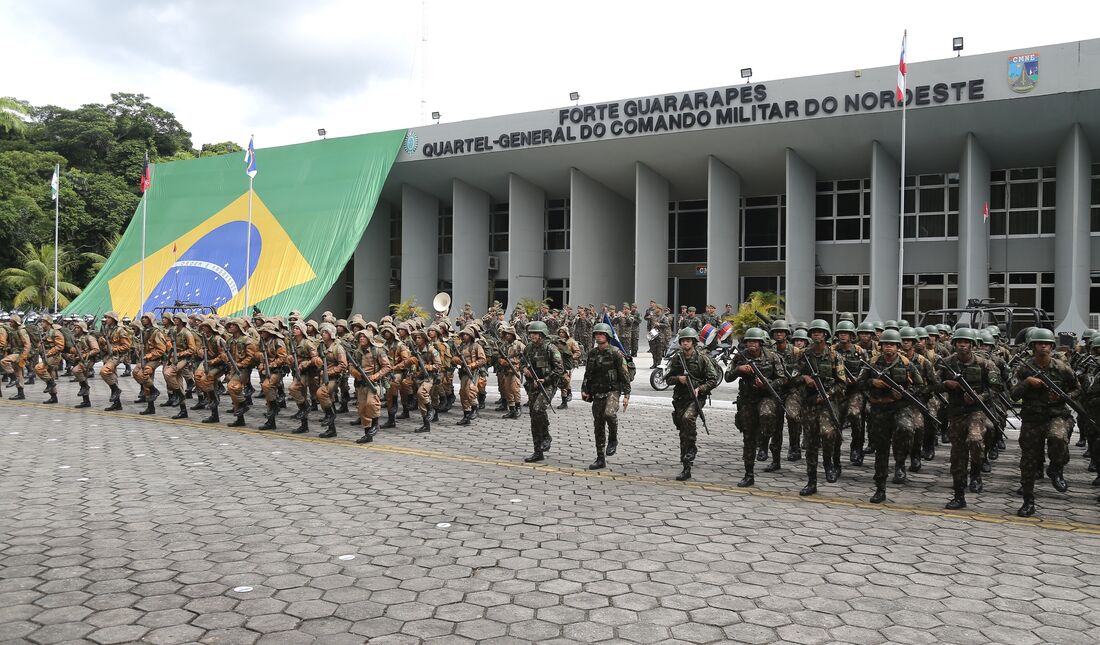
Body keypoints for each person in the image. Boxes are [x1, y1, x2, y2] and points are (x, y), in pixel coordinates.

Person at [1010, 327, 1078, 517]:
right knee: (1028, 461)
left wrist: (1062, 396)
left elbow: (1077, 390)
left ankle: (1056, 468)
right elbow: (1013, 395)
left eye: (1047, 344)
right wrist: (1027, 383)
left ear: (1051, 347)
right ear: (1033, 346)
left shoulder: (1062, 368)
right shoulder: (1023, 368)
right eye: (1040, 344)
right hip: (1032, 418)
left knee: (1058, 437)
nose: (1043, 347)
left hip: (1056, 414)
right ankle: (1028, 501)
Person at [935, 328, 1002, 510]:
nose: (962, 345)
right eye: (959, 342)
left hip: (977, 411)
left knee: (975, 439)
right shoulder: (946, 363)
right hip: (956, 413)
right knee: (958, 454)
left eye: (966, 342)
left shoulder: (985, 364)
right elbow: (932, 384)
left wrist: (980, 397)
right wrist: (946, 384)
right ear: (954, 344)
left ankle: (976, 473)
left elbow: (997, 388)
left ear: (972, 345)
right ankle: (959, 494)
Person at [861, 329, 924, 503]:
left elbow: (920, 386)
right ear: (881, 346)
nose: (889, 347)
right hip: (880, 409)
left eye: (892, 344)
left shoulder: (906, 365)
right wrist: (873, 382)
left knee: (905, 429)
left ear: (897, 347)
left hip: (900, 408)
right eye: (886, 344)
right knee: (881, 448)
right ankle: (880, 488)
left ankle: (900, 462)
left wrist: (904, 392)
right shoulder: (872, 363)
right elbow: (860, 383)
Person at [727, 327, 786, 486]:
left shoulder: (772, 357)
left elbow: (782, 379)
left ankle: (764, 441)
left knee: (767, 415)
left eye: (755, 341)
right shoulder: (740, 357)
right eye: (749, 341)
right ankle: (749, 473)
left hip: (767, 397)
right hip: (747, 400)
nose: (751, 344)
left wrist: (767, 384)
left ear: (761, 343)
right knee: (748, 437)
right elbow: (727, 377)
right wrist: (739, 370)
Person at [797, 320, 846, 496]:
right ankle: (811, 481)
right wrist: (804, 378)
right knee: (810, 442)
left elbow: (842, 384)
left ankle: (828, 464)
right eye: (814, 332)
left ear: (825, 334)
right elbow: (792, 377)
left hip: (827, 403)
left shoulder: (835, 357)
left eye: (820, 332)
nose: (816, 334)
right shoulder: (803, 355)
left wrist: (829, 394)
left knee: (828, 434)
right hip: (809, 404)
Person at [663, 327, 719, 481]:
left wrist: (700, 389)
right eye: (683, 341)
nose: (685, 343)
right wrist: (678, 379)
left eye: (688, 341)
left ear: (693, 342)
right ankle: (686, 466)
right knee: (683, 431)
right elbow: (667, 378)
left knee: (688, 419)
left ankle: (692, 448)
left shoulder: (702, 358)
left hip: (696, 398)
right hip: (681, 398)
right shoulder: (677, 358)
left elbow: (713, 380)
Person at [580, 322, 631, 470]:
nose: (598, 336)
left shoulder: (616, 353)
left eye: (601, 334)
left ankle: (613, 438)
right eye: (596, 334)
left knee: (609, 414)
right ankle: (600, 458)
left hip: (613, 391)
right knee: (598, 425)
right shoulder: (592, 353)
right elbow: (588, 373)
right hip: (597, 392)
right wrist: (585, 389)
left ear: (607, 336)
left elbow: (624, 375)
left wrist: (627, 394)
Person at [520, 321, 563, 463]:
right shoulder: (528, 348)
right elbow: (522, 363)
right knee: (534, 418)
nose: (532, 336)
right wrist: (525, 370)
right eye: (531, 333)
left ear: (542, 334)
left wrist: (546, 379)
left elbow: (559, 369)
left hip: (548, 385)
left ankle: (546, 436)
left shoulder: (551, 348)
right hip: (533, 385)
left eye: (536, 333)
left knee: (538, 409)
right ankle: (537, 451)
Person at [833, 320, 870, 466]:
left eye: (846, 333)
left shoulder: (860, 352)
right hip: (838, 392)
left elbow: (867, 370)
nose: (843, 335)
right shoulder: (832, 351)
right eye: (841, 333)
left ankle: (856, 448)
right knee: (836, 422)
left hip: (855, 391)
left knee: (855, 415)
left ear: (851, 335)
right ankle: (835, 458)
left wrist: (857, 379)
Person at [132, 313, 169, 415]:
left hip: (155, 359)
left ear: (151, 320)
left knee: (143, 375)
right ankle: (150, 405)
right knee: (136, 372)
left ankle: (154, 391)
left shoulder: (156, 332)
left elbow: (161, 350)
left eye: (146, 318)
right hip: (145, 358)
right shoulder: (145, 331)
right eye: (142, 318)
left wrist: (149, 356)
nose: (143, 319)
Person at [193, 319, 229, 424]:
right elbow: (199, 349)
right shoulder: (204, 337)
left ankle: (213, 401)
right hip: (207, 361)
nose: (203, 328)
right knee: (198, 376)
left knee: (207, 379)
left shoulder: (218, 339)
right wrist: (201, 352)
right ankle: (209, 396)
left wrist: (212, 361)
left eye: (206, 326)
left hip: (218, 364)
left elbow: (223, 356)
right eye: (203, 326)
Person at [257, 324, 291, 431]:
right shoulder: (263, 342)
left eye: (264, 331)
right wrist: (262, 362)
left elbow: (282, 358)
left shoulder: (277, 342)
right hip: (266, 369)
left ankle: (274, 406)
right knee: (267, 392)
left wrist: (271, 365)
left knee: (268, 386)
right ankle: (271, 420)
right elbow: (259, 354)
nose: (261, 333)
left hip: (277, 370)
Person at [407, 328, 441, 433]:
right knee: (421, 402)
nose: (417, 339)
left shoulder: (432, 350)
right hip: (419, 377)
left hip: (429, 377)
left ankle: (431, 408)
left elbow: (438, 365)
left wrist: (427, 367)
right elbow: (412, 364)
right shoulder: (415, 351)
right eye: (415, 338)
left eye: (419, 338)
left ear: (424, 339)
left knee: (421, 393)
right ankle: (426, 424)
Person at [453, 327, 487, 426]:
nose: (464, 336)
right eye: (463, 334)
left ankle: (475, 407)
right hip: (463, 373)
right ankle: (466, 415)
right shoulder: (461, 347)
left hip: (474, 372)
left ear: (471, 336)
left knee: (470, 390)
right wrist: (455, 359)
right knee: (463, 393)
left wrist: (473, 365)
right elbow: (455, 357)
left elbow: (483, 360)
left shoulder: (476, 346)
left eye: (466, 334)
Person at [33, 315, 65, 404]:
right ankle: (53, 397)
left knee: (39, 368)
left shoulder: (55, 333)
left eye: (43, 321)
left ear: (48, 323)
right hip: (46, 356)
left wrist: (49, 353)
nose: (41, 323)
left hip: (54, 356)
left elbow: (60, 346)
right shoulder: (44, 332)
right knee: (50, 374)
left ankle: (51, 383)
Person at [69, 321, 100, 409]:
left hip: (88, 360)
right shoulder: (76, 338)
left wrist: (84, 355)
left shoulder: (89, 338)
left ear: (82, 329)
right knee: (82, 379)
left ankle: (85, 387)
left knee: (76, 371)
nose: (75, 329)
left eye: (78, 327)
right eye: (75, 327)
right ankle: (86, 401)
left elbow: (96, 349)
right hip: (79, 360)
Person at [497, 325, 525, 419]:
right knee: (507, 390)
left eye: (508, 334)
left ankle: (518, 408)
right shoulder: (504, 345)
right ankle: (511, 409)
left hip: (515, 369)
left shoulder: (518, 344)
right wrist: (501, 361)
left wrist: (520, 365)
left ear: (513, 335)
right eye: (505, 334)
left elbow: (526, 355)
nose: (507, 336)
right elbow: (499, 356)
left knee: (515, 389)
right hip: (506, 370)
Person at [554, 326, 582, 409]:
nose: (561, 334)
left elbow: (578, 352)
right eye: (560, 332)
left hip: (567, 364)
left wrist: (571, 358)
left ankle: (564, 401)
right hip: (558, 363)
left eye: (563, 332)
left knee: (565, 381)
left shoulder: (571, 341)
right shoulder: (557, 341)